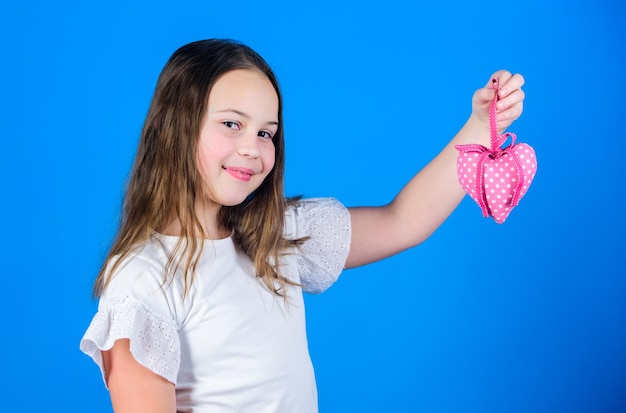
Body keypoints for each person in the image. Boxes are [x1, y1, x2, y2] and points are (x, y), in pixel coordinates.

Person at [80, 38, 525, 412]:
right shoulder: (143, 279)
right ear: (175, 128)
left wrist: (480, 127)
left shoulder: (277, 236)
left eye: (266, 132)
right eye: (231, 124)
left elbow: (402, 221)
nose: (252, 149)